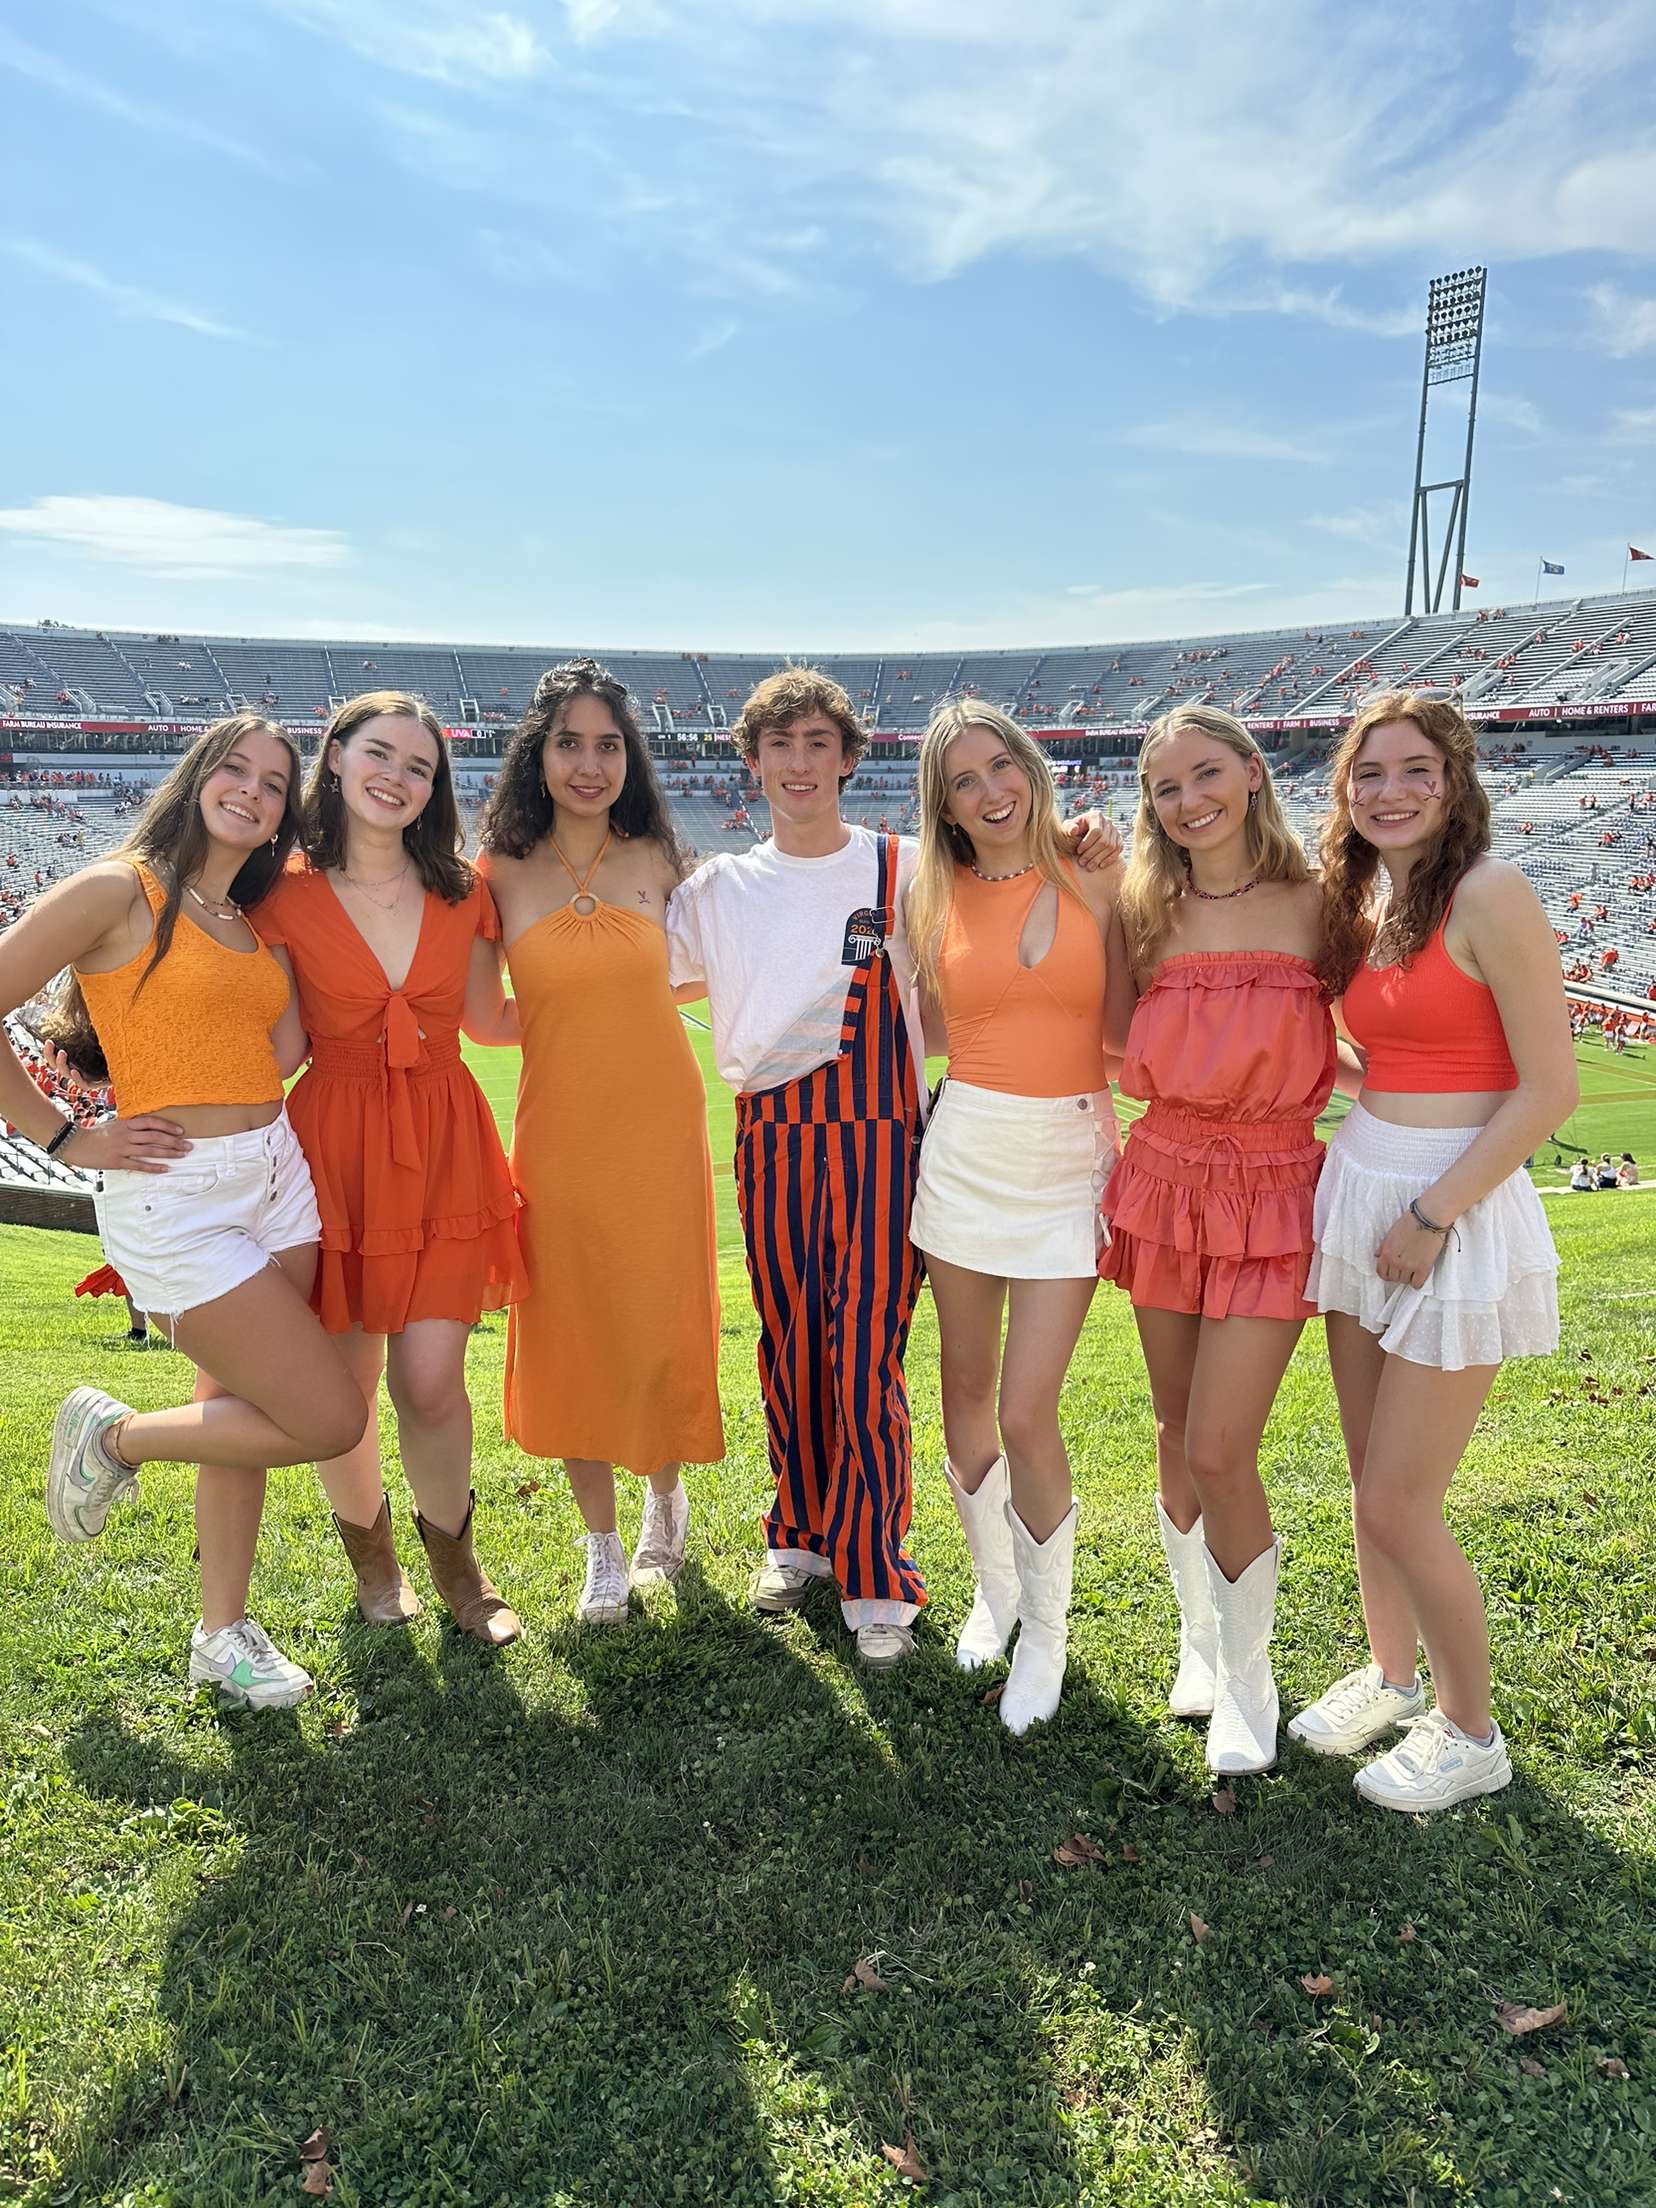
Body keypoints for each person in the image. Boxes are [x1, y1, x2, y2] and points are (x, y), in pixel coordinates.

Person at [666, 668, 1118, 1669]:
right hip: (770, 1136)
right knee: (787, 1345)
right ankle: (799, 1540)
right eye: (777, 746)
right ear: (752, 763)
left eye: (816, 745)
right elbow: (647, 977)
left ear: (848, 758)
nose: (797, 764)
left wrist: (1084, 847)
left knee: (864, 1352)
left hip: (880, 1135)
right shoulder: (716, 889)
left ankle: (877, 1572)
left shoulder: (909, 869)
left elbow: (1004, 913)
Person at [3, 715, 368, 1707]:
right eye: (234, 769)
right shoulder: (123, 888)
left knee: (234, 1408)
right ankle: (112, 1438)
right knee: (327, 1416)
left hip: (274, 1176)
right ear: (199, 776)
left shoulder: (247, 920)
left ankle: (222, 1635)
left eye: (273, 782)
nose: (251, 790)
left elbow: (281, 1050)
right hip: (178, 1196)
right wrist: (63, 1136)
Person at [1294, 691, 1576, 1811]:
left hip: (1449, 1208)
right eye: (1369, 774)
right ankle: (1394, 1677)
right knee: (1370, 1485)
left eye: (1416, 770)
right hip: (1364, 1183)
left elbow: (1546, 1089)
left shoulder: (1488, 891)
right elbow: (1399, 1058)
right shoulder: (1375, 897)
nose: (1391, 792)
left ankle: (1471, 1732)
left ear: (1454, 782)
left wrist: (1435, 1211)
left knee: (1406, 1499)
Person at [1098, 705, 1345, 1774]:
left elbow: (1393, 1024)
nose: (1189, 800)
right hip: (1164, 1178)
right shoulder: (1141, 910)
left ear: (1252, 773)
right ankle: (1199, 1641)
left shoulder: (1324, 906)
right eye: (1165, 787)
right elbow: (1109, 1037)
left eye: (1206, 774)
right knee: (1170, 1425)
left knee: (1220, 1445)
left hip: (1276, 1186)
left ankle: (1253, 1677)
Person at [250, 692, 527, 1644]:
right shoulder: (281, 895)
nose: (398, 778)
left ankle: (460, 1568)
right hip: (332, 1151)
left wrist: (625, 1010)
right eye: (380, 754)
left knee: (431, 1379)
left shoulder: (464, 889)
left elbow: (495, 1020)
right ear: (335, 758)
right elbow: (281, 1046)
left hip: (447, 1142)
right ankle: (372, 1560)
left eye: (420, 766)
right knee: (347, 1377)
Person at [479, 660, 722, 1623]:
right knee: (573, 1322)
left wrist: (628, 1001)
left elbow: (726, 958)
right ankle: (602, 1547)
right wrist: (565, 1011)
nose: (590, 764)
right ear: (538, 754)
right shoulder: (494, 870)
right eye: (570, 743)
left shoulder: (660, 855)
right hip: (560, 1130)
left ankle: (667, 1499)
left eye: (608, 744)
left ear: (631, 756)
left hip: (660, 1120)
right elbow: (481, 1017)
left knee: (656, 1315)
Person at [906, 702, 1123, 1732]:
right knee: (964, 1385)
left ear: (1032, 768)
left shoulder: (1098, 873)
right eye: (964, 780)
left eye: (1003, 766)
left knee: (1029, 1409)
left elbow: (1136, 1013)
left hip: (1067, 1155)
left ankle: (1047, 1629)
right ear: (943, 807)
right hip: (966, 1149)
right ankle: (995, 1593)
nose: (991, 791)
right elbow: (933, 1031)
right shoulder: (933, 894)